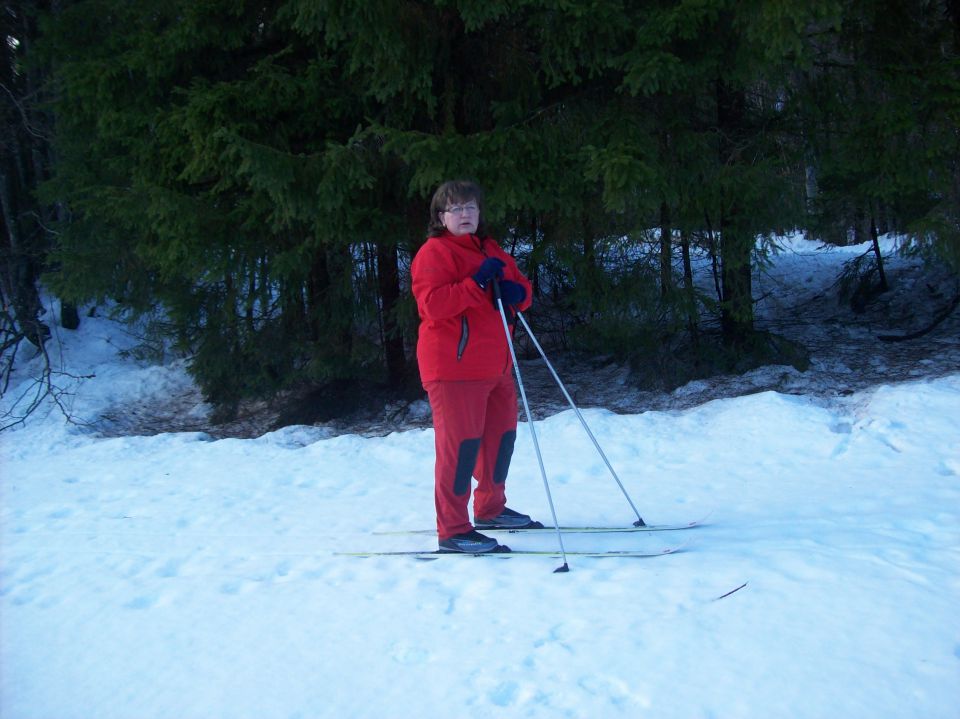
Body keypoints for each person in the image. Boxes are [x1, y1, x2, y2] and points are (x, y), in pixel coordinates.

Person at [411, 180, 542, 553]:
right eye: (456, 209)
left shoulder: (490, 247)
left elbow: (521, 288)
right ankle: (452, 530)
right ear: (441, 217)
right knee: (461, 448)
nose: (465, 215)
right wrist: (476, 282)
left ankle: (490, 508)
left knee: (500, 441)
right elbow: (432, 305)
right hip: (454, 368)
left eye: (471, 207)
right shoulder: (434, 253)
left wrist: (519, 295)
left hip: (497, 365)